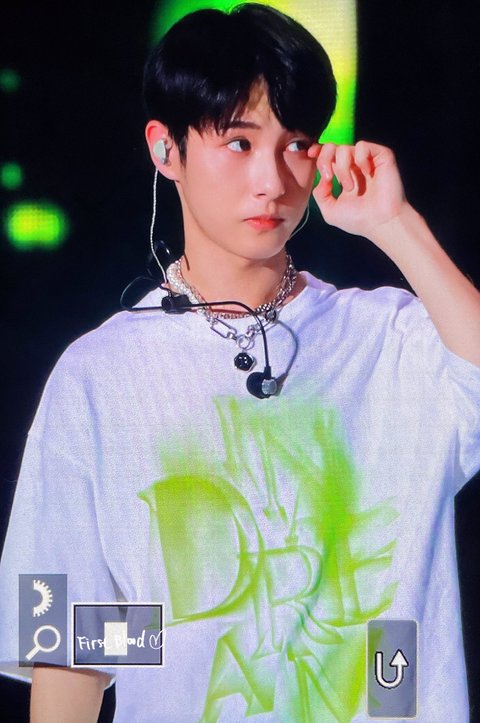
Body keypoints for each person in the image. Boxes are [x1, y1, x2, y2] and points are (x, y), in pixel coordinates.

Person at [1, 4, 479, 722]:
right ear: (166, 150)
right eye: (238, 141)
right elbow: (70, 644)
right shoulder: (100, 374)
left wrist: (396, 226)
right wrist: (183, 632)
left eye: (296, 145)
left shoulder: (389, 339)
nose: (271, 180)